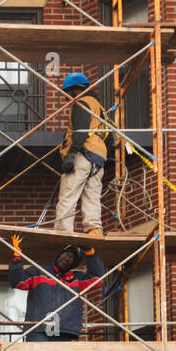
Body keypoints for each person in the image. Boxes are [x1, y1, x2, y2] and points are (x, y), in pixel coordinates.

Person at [9, 233, 105, 351]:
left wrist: (92, 254)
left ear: (74, 263)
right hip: (39, 329)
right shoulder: (39, 271)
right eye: (65, 254)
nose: (67, 258)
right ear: (58, 255)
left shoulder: (77, 279)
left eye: (71, 257)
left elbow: (98, 280)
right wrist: (16, 256)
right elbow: (18, 282)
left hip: (63, 331)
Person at [54, 72, 110, 236]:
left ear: (74, 90)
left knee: (68, 194)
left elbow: (81, 131)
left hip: (82, 153)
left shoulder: (82, 103)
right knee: (92, 195)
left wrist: (71, 154)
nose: (67, 98)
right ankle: (93, 229)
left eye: (68, 94)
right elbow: (109, 137)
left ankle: (63, 232)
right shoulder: (99, 107)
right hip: (98, 157)